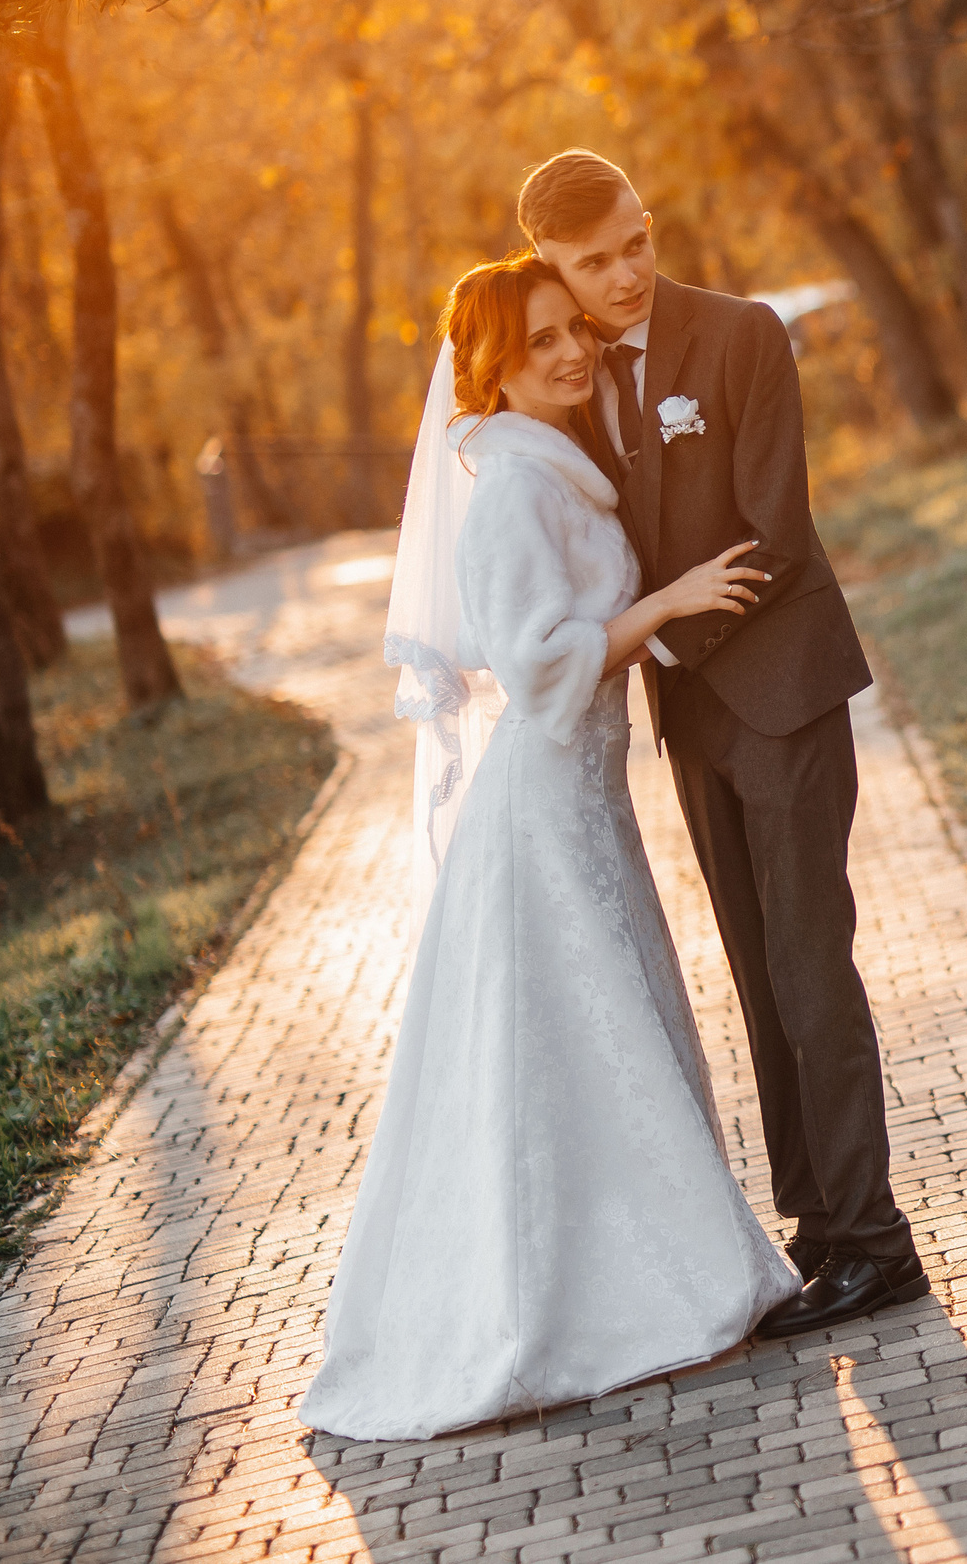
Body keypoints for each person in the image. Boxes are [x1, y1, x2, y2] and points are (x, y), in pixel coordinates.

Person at [301, 257, 795, 1442]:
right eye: (538, 343)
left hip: (585, 803)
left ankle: (641, 1267)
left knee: (606, 1031)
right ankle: (566, 1307)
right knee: (570, 1038)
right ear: (491, 368)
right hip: (540, 809)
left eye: (573, 329)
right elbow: (531, 668)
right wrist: (666, 604)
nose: (572, 352)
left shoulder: (553, 466)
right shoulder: (516, 486)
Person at [517, 149, 924, 1335]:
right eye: (594, 263)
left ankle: (877, 1242)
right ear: (551, 267)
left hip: (782, 691)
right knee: (755, 971)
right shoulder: (571, 378)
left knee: (810, 965)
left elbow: (774, 531)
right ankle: (818, 1226)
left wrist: (656, 634)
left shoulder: (742, 334)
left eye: (636, 243)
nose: (626, 274)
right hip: (692, 717)